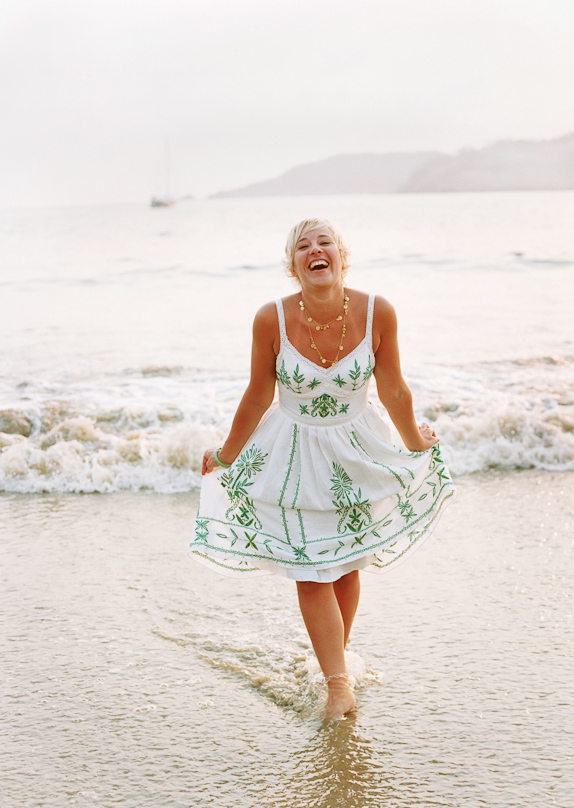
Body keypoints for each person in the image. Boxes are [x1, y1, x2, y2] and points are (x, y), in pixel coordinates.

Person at [190, 218, 455, 720]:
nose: (316, 251)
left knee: (348, 564)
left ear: (341, 255)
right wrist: (226, 454)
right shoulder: (270, 319)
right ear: (293, 265)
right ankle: (337, 685)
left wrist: (416, 441)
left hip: (357, 449)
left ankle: (330, 662)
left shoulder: (380, 312)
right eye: (304, 247)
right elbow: (258, 394)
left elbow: (395, 390)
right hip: (293, 455)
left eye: (324, 242)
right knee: (311, 572)